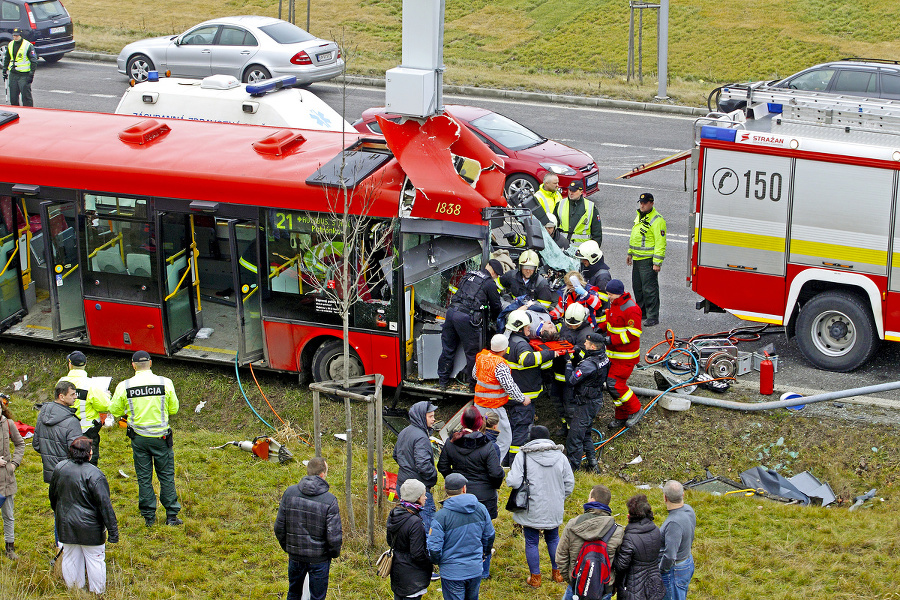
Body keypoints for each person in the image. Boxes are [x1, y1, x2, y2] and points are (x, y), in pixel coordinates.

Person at [108, 350, 182, 527]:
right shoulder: (166, 383)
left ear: (133, 366)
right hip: (161, 438)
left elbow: (116, 411)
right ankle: (171, 516)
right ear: (150, 363)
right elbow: (174, 410)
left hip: (139, 439)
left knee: (144, 477)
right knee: (166, 476)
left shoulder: (124, 386)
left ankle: (149, 517)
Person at [437, 406, 504, 579]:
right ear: (480, 423)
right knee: (484, 532)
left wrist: (455, 481)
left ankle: (460, 564)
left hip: (459, 494)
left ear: (462, 422)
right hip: (484, 495)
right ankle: (483, 571)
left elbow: (442, 466)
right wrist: (493, 485)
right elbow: (496, 473)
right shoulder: (487, 445)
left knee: (457, 530)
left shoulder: (451, 443)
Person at [506, 425, 575, 588]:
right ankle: (557, 573)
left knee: (531, 541)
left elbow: (513, 481)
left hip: (531, 506)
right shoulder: (561, 456)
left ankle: (535, 578)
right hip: (554, 507)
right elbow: (569, 484)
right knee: (553, 538)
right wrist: (559, 497)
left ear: (531, 438)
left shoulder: (523, 455)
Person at [49, 437, 119, 595]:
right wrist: (113, 531)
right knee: (95, 560)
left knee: (71, 557)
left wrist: (60, 515)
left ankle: (75, 592)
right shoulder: (95, 475)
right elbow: (105, 505)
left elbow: (53, 497)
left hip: (66, 525)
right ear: (88, 454)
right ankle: (97, 593)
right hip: (91, 528)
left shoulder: (60, 468)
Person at [274, 457, 343, 600]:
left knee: (293, 593)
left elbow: (279, 527)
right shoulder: (329, 500)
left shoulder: (289, 493)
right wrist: (332, 554)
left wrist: (288, 547)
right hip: (319, 559)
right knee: (317, 597)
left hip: (295, 555)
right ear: (323, 474)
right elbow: (334, 536)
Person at [504, 310, 561, 465]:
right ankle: (514, 465)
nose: (529, 330)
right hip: (523, 397)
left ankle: (505, 462)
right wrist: (550, 354)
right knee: (521, 433)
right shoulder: (521, 344)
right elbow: (527, 360)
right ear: (520, 328)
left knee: (510, 431)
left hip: (511, 396)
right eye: (527, 328)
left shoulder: (508, 340)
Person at [438, 259, 504, 391]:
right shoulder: (489, 283)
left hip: (451, 313)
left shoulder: (469, 274)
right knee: (473, 353)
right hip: (466, 318)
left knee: (448, 349)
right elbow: (496, 305)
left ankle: (442, 382)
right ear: (495, 273)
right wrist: (497, 320)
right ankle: (473, 387)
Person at [427, 473, 495, 600]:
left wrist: (439, 562)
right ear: (464, 488)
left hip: (452, 573)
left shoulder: (441, 516)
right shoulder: (481, 509)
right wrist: (484, 554)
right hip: (475, 569)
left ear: (445, 490)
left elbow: (434, 548)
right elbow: (489, 535)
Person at [557, 484, 625, 600]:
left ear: (592, 500)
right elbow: (620, 564)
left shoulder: (573, 524)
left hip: (575, 588)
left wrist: (573, 580)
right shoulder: (617, 531)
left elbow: (561, 557)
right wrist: (611, 585)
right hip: (603, 589)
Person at [472, 334, 529, 463]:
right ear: (504, 349)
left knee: (481, 435)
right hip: (494, 408)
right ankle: (494, 464)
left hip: (479, 406)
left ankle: (479, 462)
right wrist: (522, 398)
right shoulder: (500, 365)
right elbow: (509, 387)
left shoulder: (481, 357)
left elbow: (475, 375)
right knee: (504, 439)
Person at [596, 279, 644, 430]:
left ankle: (636, 409)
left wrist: (610, 340)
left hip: (625, 357)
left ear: (618, 293)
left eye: (610, 294)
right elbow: (611, 323)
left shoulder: (631, 309)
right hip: (614, 355)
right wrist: (599, 329)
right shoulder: (616, 304)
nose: (608, 297)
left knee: (615, 384)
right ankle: (621, 416)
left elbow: (633, 334)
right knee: (613, 387)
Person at [564, 333, 609, 473]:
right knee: (586, 433)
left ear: (593, 346)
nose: (584, 344)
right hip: (595, 400)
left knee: (575, 437)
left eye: (587, 343)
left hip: (586, 403)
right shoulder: (603, 357)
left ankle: (573, 469)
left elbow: (571, 380)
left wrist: (568, 363)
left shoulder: (589, 365)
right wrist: (578, 355)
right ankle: (592, 464)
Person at [57, 351, 110, 466]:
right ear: (85, 365)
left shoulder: (61, 382)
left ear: (70, 365)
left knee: (67, 462)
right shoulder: (91, 385)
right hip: (87, 431)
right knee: (89, 464)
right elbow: (104, 406)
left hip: (65, 429)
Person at [393, 400, 439, 532]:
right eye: (430, 416)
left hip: (402, 484)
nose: (433, 419)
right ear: (421, 416)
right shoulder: (421, 437)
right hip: (418, 490)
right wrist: (433, 477)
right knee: (427, 525)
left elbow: (396, 455)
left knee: (407, 523)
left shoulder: (404, 432)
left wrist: (407, 466)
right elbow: (423, 465)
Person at [387, 478, 433, 600]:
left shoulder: (394, 513)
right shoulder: (415, 522)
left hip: (397, 572)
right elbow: (417, 554)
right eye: (423, 495)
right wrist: (429, 562)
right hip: (413, 576)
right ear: (416, 497)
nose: (426, 497)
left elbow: (389, 541)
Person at [627, 193, 667, 327]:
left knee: (649, 289)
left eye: (645, 203)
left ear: (652, 203)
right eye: (641, 202)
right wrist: (630, 253)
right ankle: (642, 312)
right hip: (637, 258)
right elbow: (635, 236)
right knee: (637, 288)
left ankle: (653, 316)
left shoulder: (657, 220)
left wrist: (657, 262)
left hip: (648, 260)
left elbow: (660, 243)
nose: (642, 205)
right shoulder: (640, 215)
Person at [615, 494, 665, 600]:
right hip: (654, 585)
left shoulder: (629, 537)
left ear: (630, 516)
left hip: (633, 589)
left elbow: (621, 565)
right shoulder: (656, 530)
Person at [33, 381, 82, 486]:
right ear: (61, 397)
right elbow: (78, 453)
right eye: (72, 394)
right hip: (70, 475)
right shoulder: (72, 422)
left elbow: (36, 445)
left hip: (51, 475)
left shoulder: (42, 415)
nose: (75, 397)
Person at [659, 481, 696, 600]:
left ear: (665, 498)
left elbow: (670, 556)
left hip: (675, 571)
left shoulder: (673, 523)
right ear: (683, 495)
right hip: (687, 561)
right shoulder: (688, 510)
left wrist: (661, 571)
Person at [1, 394, 25, 560]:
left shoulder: (8, 424)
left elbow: (20, 444)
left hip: (6, 479)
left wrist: (13, 464)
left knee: (8, 515)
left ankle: (10, 548)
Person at [555, 181, 602, 247]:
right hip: (563, 248)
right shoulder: (560, 204)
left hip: (582, 251)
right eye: (570, 190)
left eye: (574, 191)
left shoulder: (590, 207)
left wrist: (593, 249)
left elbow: (597, 233)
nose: (571, 193)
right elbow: (553, 227)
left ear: (581, 192)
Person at [2, 29, 37, 107]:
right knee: (13, 97)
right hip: (13, 73)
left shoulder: (28, 45)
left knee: (26, 96)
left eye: (17, 35)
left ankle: (29, 113)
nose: (15, 37)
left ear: (21, 35)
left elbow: (34, 61)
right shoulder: (10, 44)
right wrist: (5, 69)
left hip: (24, 74)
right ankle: (16, 112)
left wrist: (31, 75)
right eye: (14, 35)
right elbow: (7, 58)